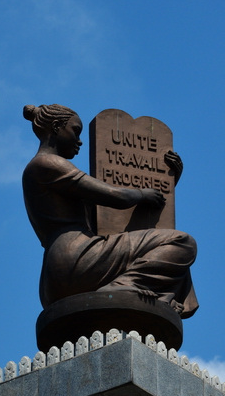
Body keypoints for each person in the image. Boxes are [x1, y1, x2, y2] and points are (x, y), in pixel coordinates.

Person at [22, 103, 198, 317]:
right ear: (57, 126)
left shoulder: (49, 170)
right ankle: (125, 285)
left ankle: (133, 287)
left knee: (164, 246)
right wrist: (143, 194)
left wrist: (167, 180)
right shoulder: (47, 164)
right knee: (182, 243)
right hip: (77, 260)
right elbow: (117, 197)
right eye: (75, 131)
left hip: (60, 276)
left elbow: (114, 221)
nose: (79, 141)